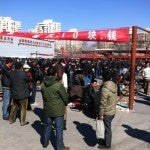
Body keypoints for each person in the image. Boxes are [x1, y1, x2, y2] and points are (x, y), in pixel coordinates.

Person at [41, 66, 70, 150]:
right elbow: (65, 97)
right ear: (55, 74)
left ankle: (45, 143)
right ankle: (60, 147)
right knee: (59, 129)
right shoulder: (58, 85)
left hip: (48, 108)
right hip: (58, 110)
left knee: (47, 126)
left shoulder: (43, 84)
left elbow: (43, 97)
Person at [98, 70, 118, 149]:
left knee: (107, 129)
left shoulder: (105, 89)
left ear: (103, 78)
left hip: (107, 111)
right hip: (112, 110)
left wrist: (100, 114)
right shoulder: (114, 85)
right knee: (107, 127)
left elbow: (103, 103)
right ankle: (106, 141)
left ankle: (107, 145)